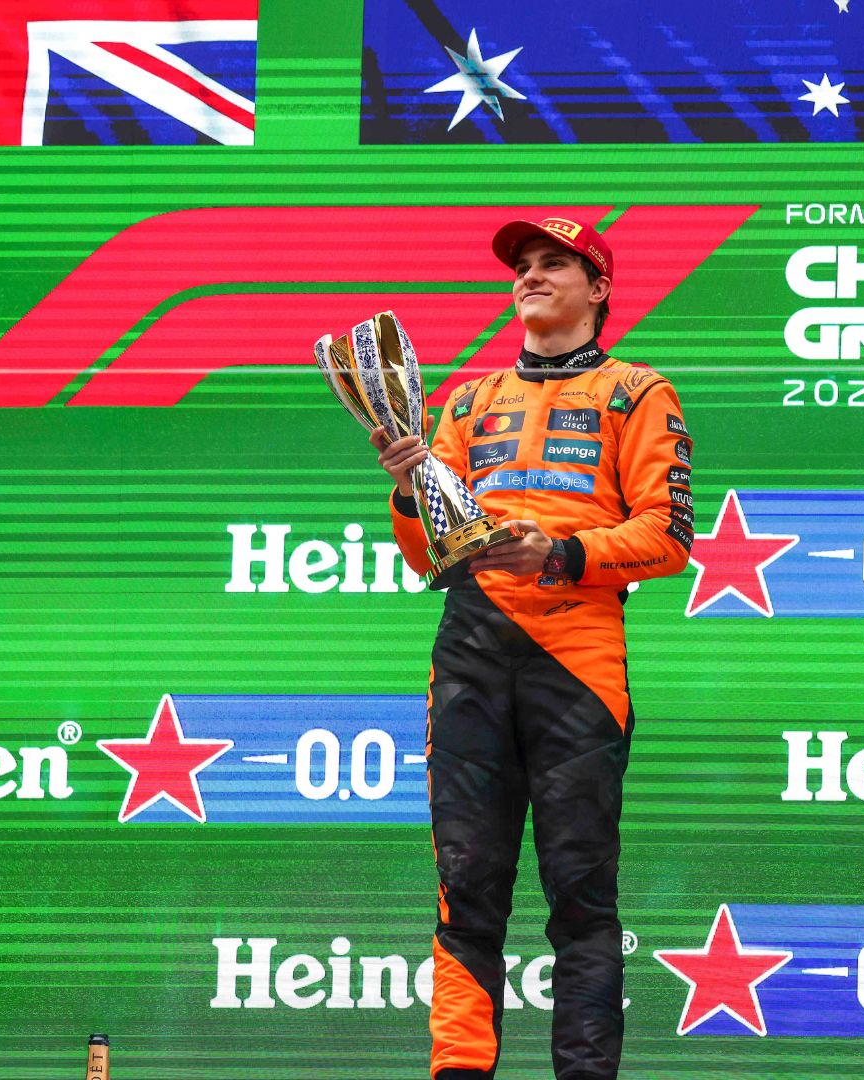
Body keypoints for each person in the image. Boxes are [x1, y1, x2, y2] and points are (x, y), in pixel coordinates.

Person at [372, 217, 693, 1080]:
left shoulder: (638, 391)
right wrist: (411, 489)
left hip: (577, 658)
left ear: (599, 290)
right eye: (524, 266)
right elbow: (427, 552)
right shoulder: (468, 400)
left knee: (581, 899)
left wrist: (560, 553)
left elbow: (668, 537)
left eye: (557, 264)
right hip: (471, 647)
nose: (532, 276)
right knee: (465, 891)